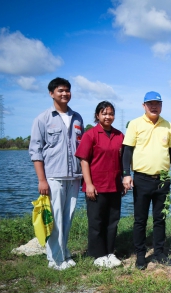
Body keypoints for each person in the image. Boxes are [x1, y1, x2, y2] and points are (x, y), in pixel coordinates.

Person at [29, 77, 83, 271]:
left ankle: (64, 252)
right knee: (56, 218)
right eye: (60, 90)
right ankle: (55, 260)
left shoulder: (77, 118)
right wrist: (41, 180)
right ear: (51, 93)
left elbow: (82, 148)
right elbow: (35, 151)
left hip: (75, 177)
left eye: (67, 90)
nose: (65, 93)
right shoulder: (42, 119)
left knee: (68, 217)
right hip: (53, 177)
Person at [122, 91, 171, 270]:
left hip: (163, 179)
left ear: (161, 105)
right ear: (144, 105)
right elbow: (127, 151)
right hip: (141, 179)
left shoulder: (168, 125)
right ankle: (140, 254)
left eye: (157, 103)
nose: (154, 106)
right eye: (150, 103)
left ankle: (159, 252)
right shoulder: (135, 124)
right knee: (140, 220)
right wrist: (126, 174)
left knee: (160, 218)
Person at [75, 101, 125, 269]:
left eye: (110, 113)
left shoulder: (119, 136)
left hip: (114, 186)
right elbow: (84, 160)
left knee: (113, 221)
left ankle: (110, 252)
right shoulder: (91, 134)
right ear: (97, 115)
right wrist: (88, 184)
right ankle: (98, 255)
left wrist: (124, 179)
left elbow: (124, 160)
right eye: (104, 113)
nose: (107, 117)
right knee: (97, 221)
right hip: (96, 186)